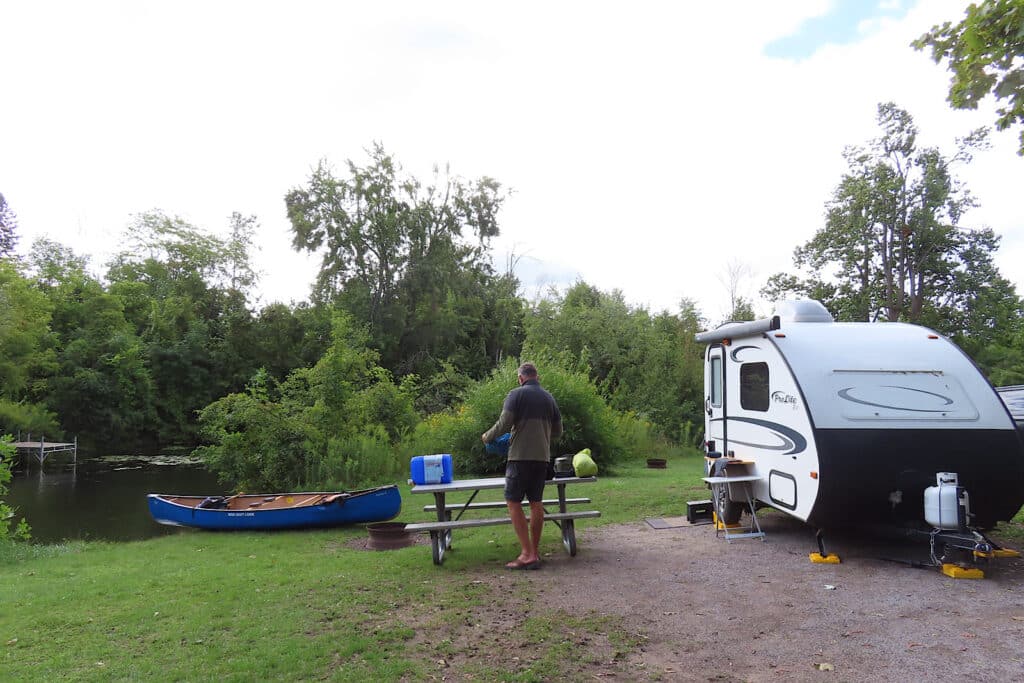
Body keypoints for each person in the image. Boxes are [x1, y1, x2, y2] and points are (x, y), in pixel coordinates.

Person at [482, 362, 562, 570]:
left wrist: (487, 436)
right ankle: (534, 552)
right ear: (537, 377)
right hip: (542, 458)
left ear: (520, 378)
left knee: (513, 502)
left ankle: (527, 553)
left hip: (519, 458)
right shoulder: (549, 398)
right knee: (536, 502)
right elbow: (558, 431)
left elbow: (504, 423)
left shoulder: (515, 394)